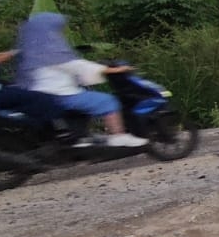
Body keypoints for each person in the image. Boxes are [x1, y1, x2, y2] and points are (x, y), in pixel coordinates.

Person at [15, 12, 149, 147]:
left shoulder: (30, 51)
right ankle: (118, 136)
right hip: (61, 94)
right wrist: (115, 70)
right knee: (107, 101)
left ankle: (81, 135)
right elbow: (78, 66)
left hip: (39, 95)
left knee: (84, 98)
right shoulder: (51, 51)